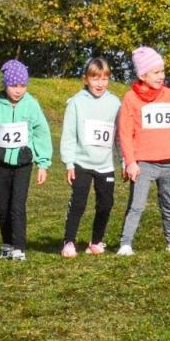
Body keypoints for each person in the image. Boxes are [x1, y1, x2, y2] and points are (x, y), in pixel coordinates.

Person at [115, 47, 170, 256]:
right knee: (136, 205)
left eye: (162, 71)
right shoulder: (130, 98)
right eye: (156, 72)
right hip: (143, 163)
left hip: (169, 162)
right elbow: (125, 133)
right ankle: (125, 244)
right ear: (142, 75)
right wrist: (130, 162)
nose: (161, 76)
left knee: (169, 203)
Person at [0, 60, 51, 260]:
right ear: (5, 84)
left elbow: (41, 133)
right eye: (14, 85)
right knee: (2, 207)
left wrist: (43, 163)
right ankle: (7, 244)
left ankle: (19, 247)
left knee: (17, 206)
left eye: (23, 85)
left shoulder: (32, 104)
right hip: (1, 163)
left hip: (23, 164)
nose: (18, 90)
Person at [59, 57, 122, 256]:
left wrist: (124, 161)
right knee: (78, 202)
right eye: (95, 78)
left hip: (105, 164)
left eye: (104, 79)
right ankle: (69, 241)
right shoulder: (76, 102)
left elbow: (119, 136)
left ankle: (96, 241)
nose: (100, 84)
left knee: (106, 204)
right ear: (86, 79)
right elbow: (69, 135)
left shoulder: (115, 103)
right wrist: (69, 163)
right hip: (81, 163)